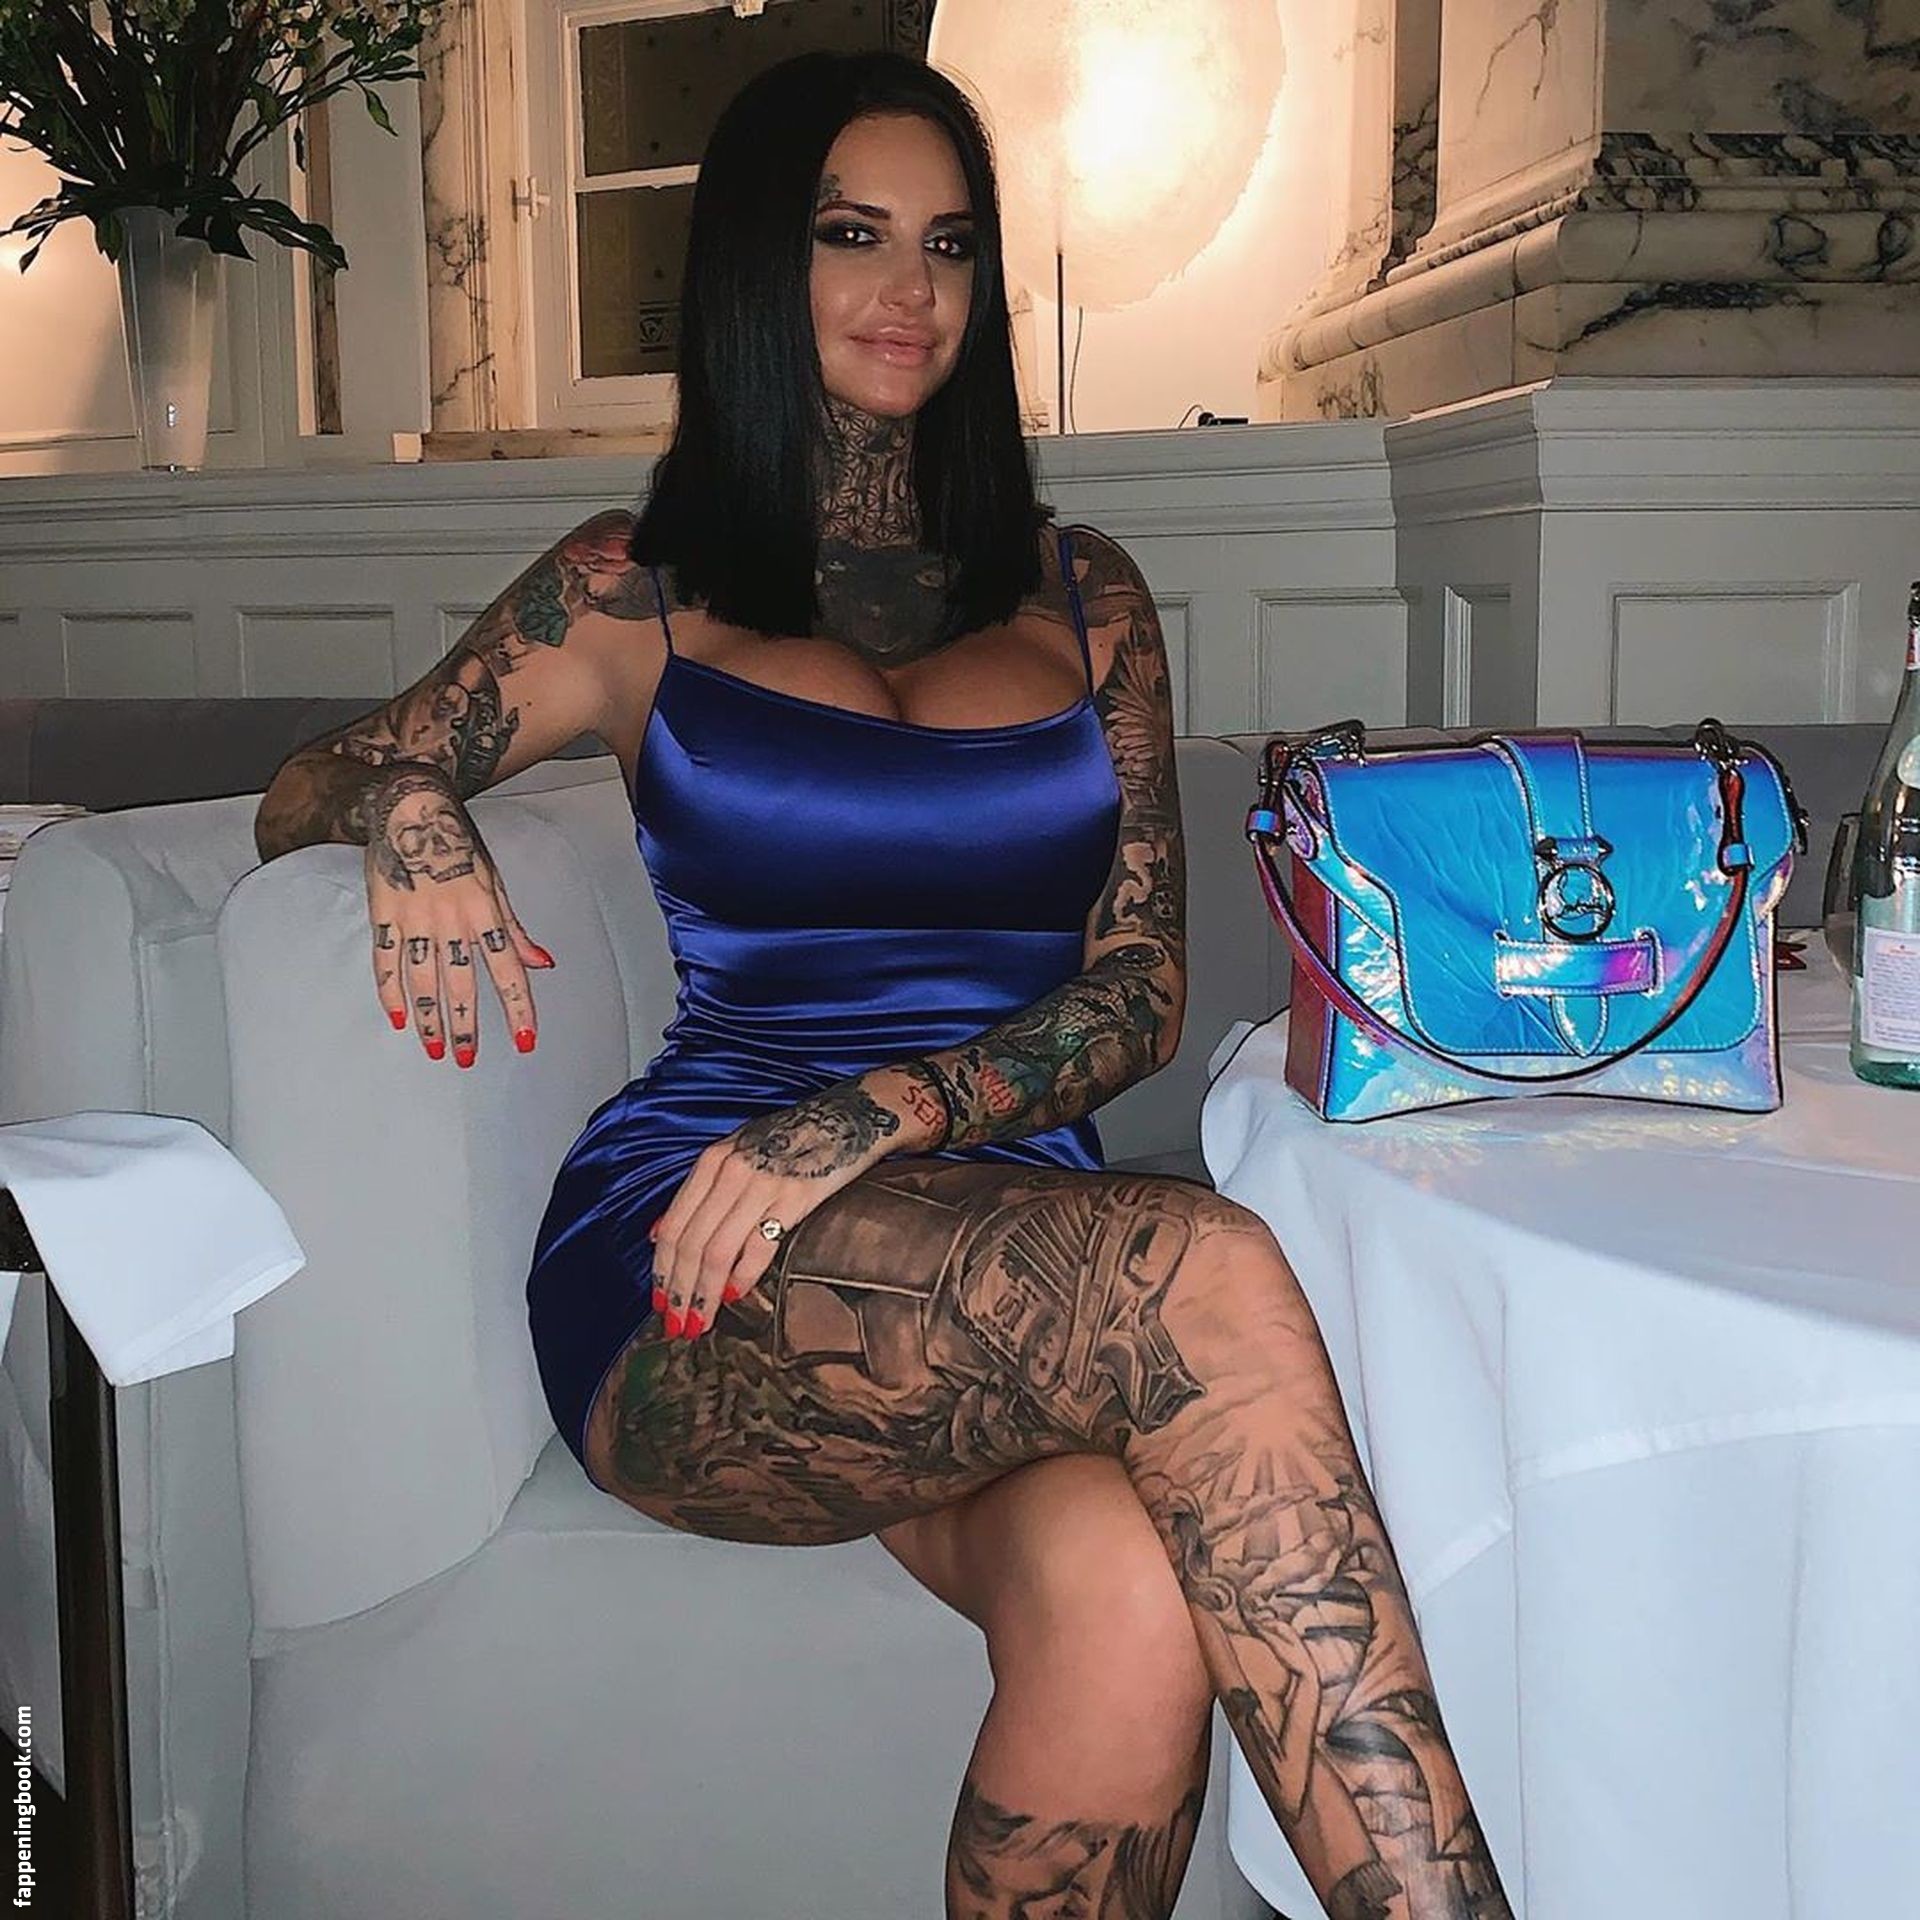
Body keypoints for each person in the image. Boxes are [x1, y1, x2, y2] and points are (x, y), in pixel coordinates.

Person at [256, 47, 1513, 1920]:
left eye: (949, 241)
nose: (910, 286)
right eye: (852, 235)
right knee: (1207, 1268)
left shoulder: (1086, 592)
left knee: (1127, 1597)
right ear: (761, 267)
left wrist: (893, 1111)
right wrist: (412, 804)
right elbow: (313, 781)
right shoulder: (629, 588)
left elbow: (1140, 988)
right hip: (713, 1247)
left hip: (1008, 1247)